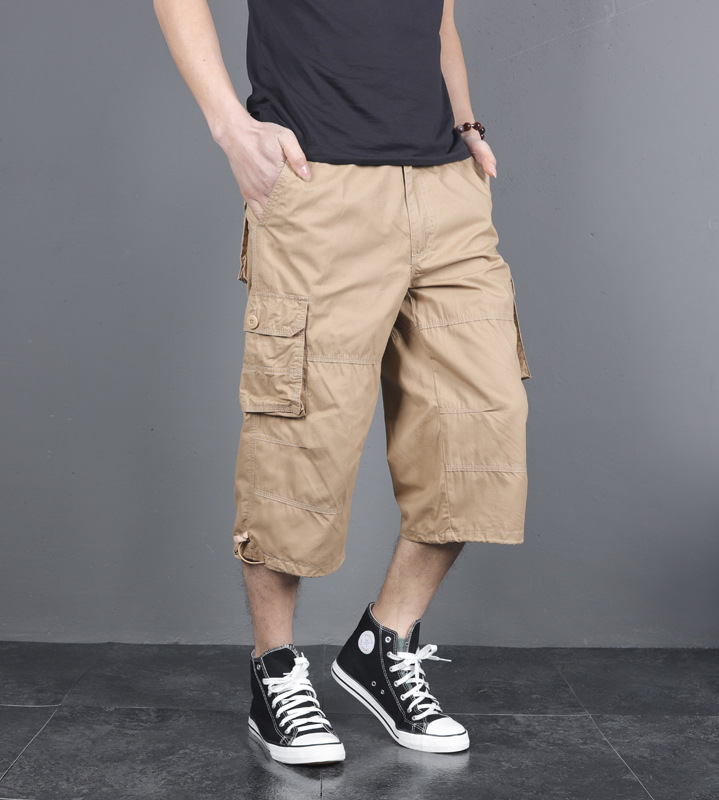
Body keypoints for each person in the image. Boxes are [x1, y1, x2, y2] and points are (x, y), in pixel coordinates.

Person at [154, 0, 531, 766]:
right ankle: (275, 671)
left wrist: (466, 124)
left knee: (482, 431)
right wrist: (230, 126)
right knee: (300, 442)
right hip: (318, 183)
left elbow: (438, 15)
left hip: (445, 190)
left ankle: (382, 642)